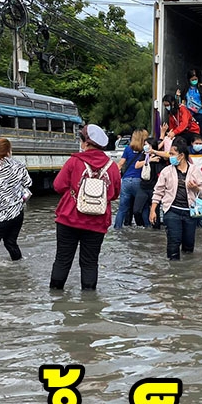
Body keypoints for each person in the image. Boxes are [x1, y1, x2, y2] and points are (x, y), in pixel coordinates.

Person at [50, 124, 120, 290]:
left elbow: (58, 186)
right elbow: (115, 194)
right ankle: (89, 305)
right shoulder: (112, 167)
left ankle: (55, 298)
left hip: (69, 219)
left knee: (62, 260)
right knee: (90, 263)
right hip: (97, 222)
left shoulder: (74, 161)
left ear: (86, 143)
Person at [150, 138, 202, 260]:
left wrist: (196, 188)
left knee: (188, 246)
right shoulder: (166, 171)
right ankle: (173, 272)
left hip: (190, 213)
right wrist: (153, 210)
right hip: (172, 211)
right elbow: (158, 191)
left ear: (181, 155)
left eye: (172, 154)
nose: (170, 156)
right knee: (174, 241)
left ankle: (186, 273)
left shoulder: (195, 170)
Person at [0, 138, 32, 261]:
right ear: (8, 151)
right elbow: (28, 182)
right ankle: (19, 267)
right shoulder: (19, 165)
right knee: (10, 243)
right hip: (18, 212)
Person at [113, 129, 150, 230]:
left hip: (126, 181)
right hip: (139, 181)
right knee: (144, 207)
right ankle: (148, 228)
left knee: (122, 209)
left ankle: (117, 228)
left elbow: (120, 164)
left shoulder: (128, 149)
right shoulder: (146, 149)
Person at [182, 68, 202, 140]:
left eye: (195, 79)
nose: (194, 81)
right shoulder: (186, 88)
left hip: (199, 113)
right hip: (189, 114)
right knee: (190, 132)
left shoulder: (201, 87)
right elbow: (183, 100)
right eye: (192, 79)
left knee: (201, 132)